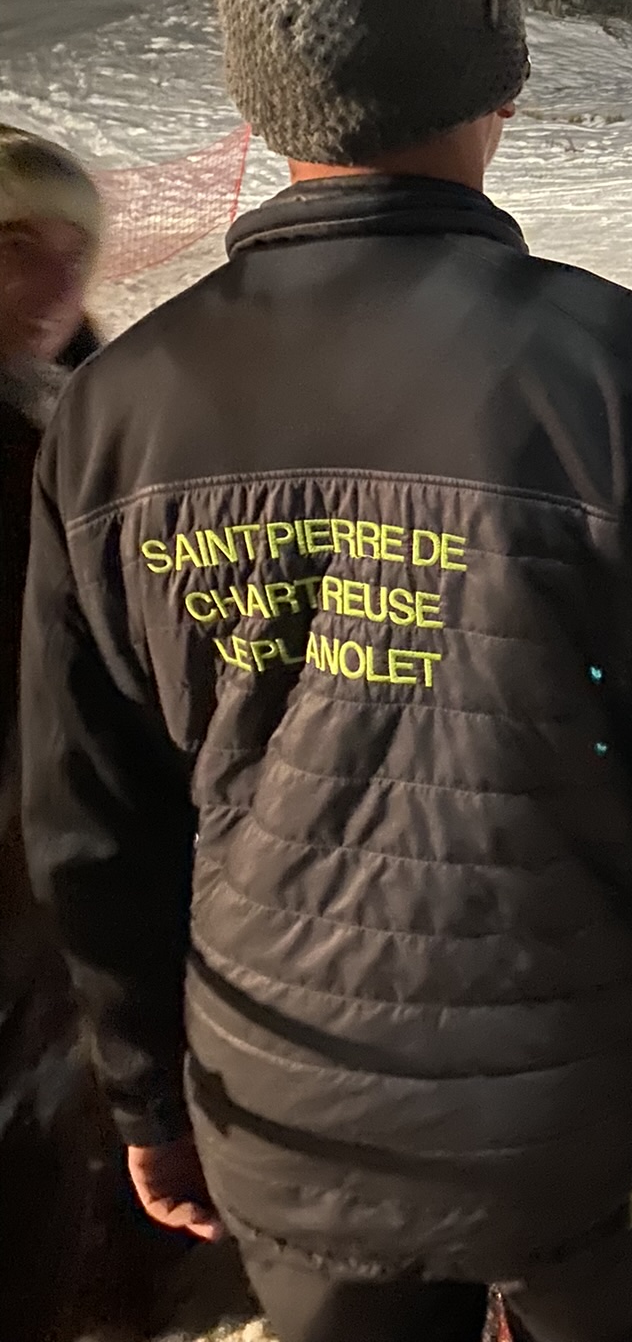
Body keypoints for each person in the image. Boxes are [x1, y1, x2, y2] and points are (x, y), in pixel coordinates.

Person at [21, 0, 632, 1342]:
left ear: (259, 94)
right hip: (589, 1135)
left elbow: (95, 824)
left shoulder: (114, 412)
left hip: (285, 1114)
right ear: (497, 75)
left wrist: (146, 1091)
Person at [1, 128, 179, 1342]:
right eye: (17, 248)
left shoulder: (93, 414)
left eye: (76, 253)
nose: (56, 284)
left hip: (85, 845)